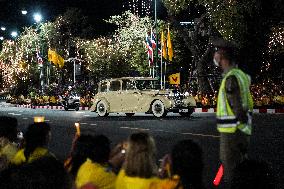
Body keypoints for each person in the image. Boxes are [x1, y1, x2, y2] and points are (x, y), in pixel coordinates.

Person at [212, 38, 254, 184]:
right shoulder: (240, 75)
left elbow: (237, 106)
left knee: (231, 172)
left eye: (216, 52)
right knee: (241, 170)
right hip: (242, 131)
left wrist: (239, 123)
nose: (215, 55)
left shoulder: (231, 78)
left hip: (232, 133)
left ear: (222, 56)